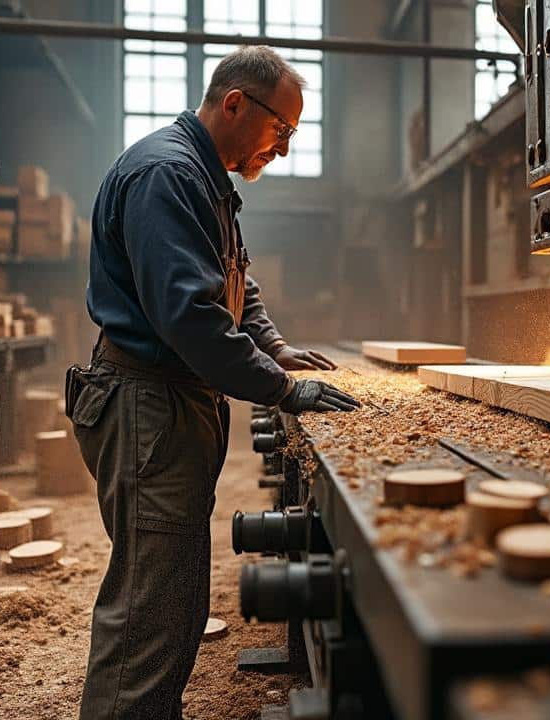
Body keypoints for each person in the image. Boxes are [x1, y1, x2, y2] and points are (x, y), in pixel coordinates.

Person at [70, 45, 360, 719]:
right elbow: (189, 317)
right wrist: (282, 391)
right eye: (281, 130)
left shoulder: (201, 177)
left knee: (171, 600)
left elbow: (235, 281)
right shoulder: (167, 174)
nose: (283, 150)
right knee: (149, 612)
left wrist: (275, 349)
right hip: (148, 406)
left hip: (168, 405)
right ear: (235, 103)